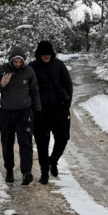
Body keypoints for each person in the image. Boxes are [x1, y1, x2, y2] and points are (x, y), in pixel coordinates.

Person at [0, 45, 42, 186]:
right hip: (6, 113)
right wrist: (2, 83)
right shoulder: (2, 70)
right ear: (11, 60)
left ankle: (26, 172)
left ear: (24, 60)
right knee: (7, 143)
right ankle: (9, 170)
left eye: (20, 61)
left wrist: (38, 111)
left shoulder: (29, 71)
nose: (18, 64)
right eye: (15, 61)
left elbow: (35, 91)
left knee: (25, 143)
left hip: (25, 113)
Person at [28, 40, 73, 185]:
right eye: (43, 53)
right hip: (40, 112)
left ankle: (53, 160)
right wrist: (33, 109)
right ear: (39, 54)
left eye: (48, 53)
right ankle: (44, 172)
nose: (46, 56)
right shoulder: (32, 68)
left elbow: (68, 84)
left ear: (51, 53)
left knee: (63, 138)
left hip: (59, 109)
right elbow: (27, 89)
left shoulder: (59, 65)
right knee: (42, 143)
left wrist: (66, 105)